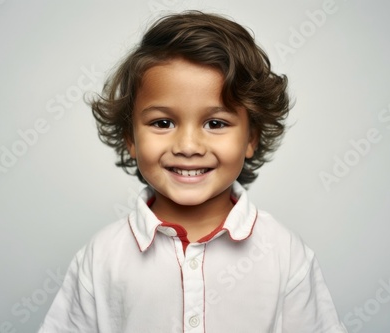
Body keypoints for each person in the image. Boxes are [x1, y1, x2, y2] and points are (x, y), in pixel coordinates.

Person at [38, 11, 347, 333]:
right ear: (130, 138)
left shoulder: (285, 254)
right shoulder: (101, 257)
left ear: (251, 138)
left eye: (215, 124)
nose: (188, 146)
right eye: (163, 123)